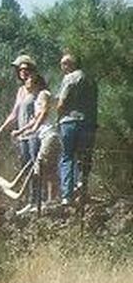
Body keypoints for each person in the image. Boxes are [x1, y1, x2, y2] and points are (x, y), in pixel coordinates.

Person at [0, 56, 41, 203]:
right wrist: (0, 131)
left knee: (35, 166)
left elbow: (40, 113)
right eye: (20, 69)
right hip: (23, 135)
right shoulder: (21, 91)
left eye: (25, 69)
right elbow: (14, 114)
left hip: (34, 133)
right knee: (25, 166)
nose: (22, 72)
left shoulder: (38, 89)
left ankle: (36, 199)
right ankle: (28, 199)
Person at [56, 54, 98, 205]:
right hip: (88, 123)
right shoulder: (91, 80)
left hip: (70, 122)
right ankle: (82, 188)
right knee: (85, 157)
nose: (62, 67)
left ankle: (67, 195)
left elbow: (61, 103)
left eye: (64, 64)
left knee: (67, 157)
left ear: (71, 64)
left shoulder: (70, 78)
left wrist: (59, 116)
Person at [12, 71, 57, 211]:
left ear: (36, 82)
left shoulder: (44, 94)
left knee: (41, 167)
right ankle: (39, 201)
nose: (26, 82)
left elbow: (43, 114)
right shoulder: (37, 99)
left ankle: (44, 201)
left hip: (49, 134)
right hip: (43, 135)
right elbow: (34, 119)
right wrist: (21, 131)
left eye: (29, 80)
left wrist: (33, 129)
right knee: (41, 168)